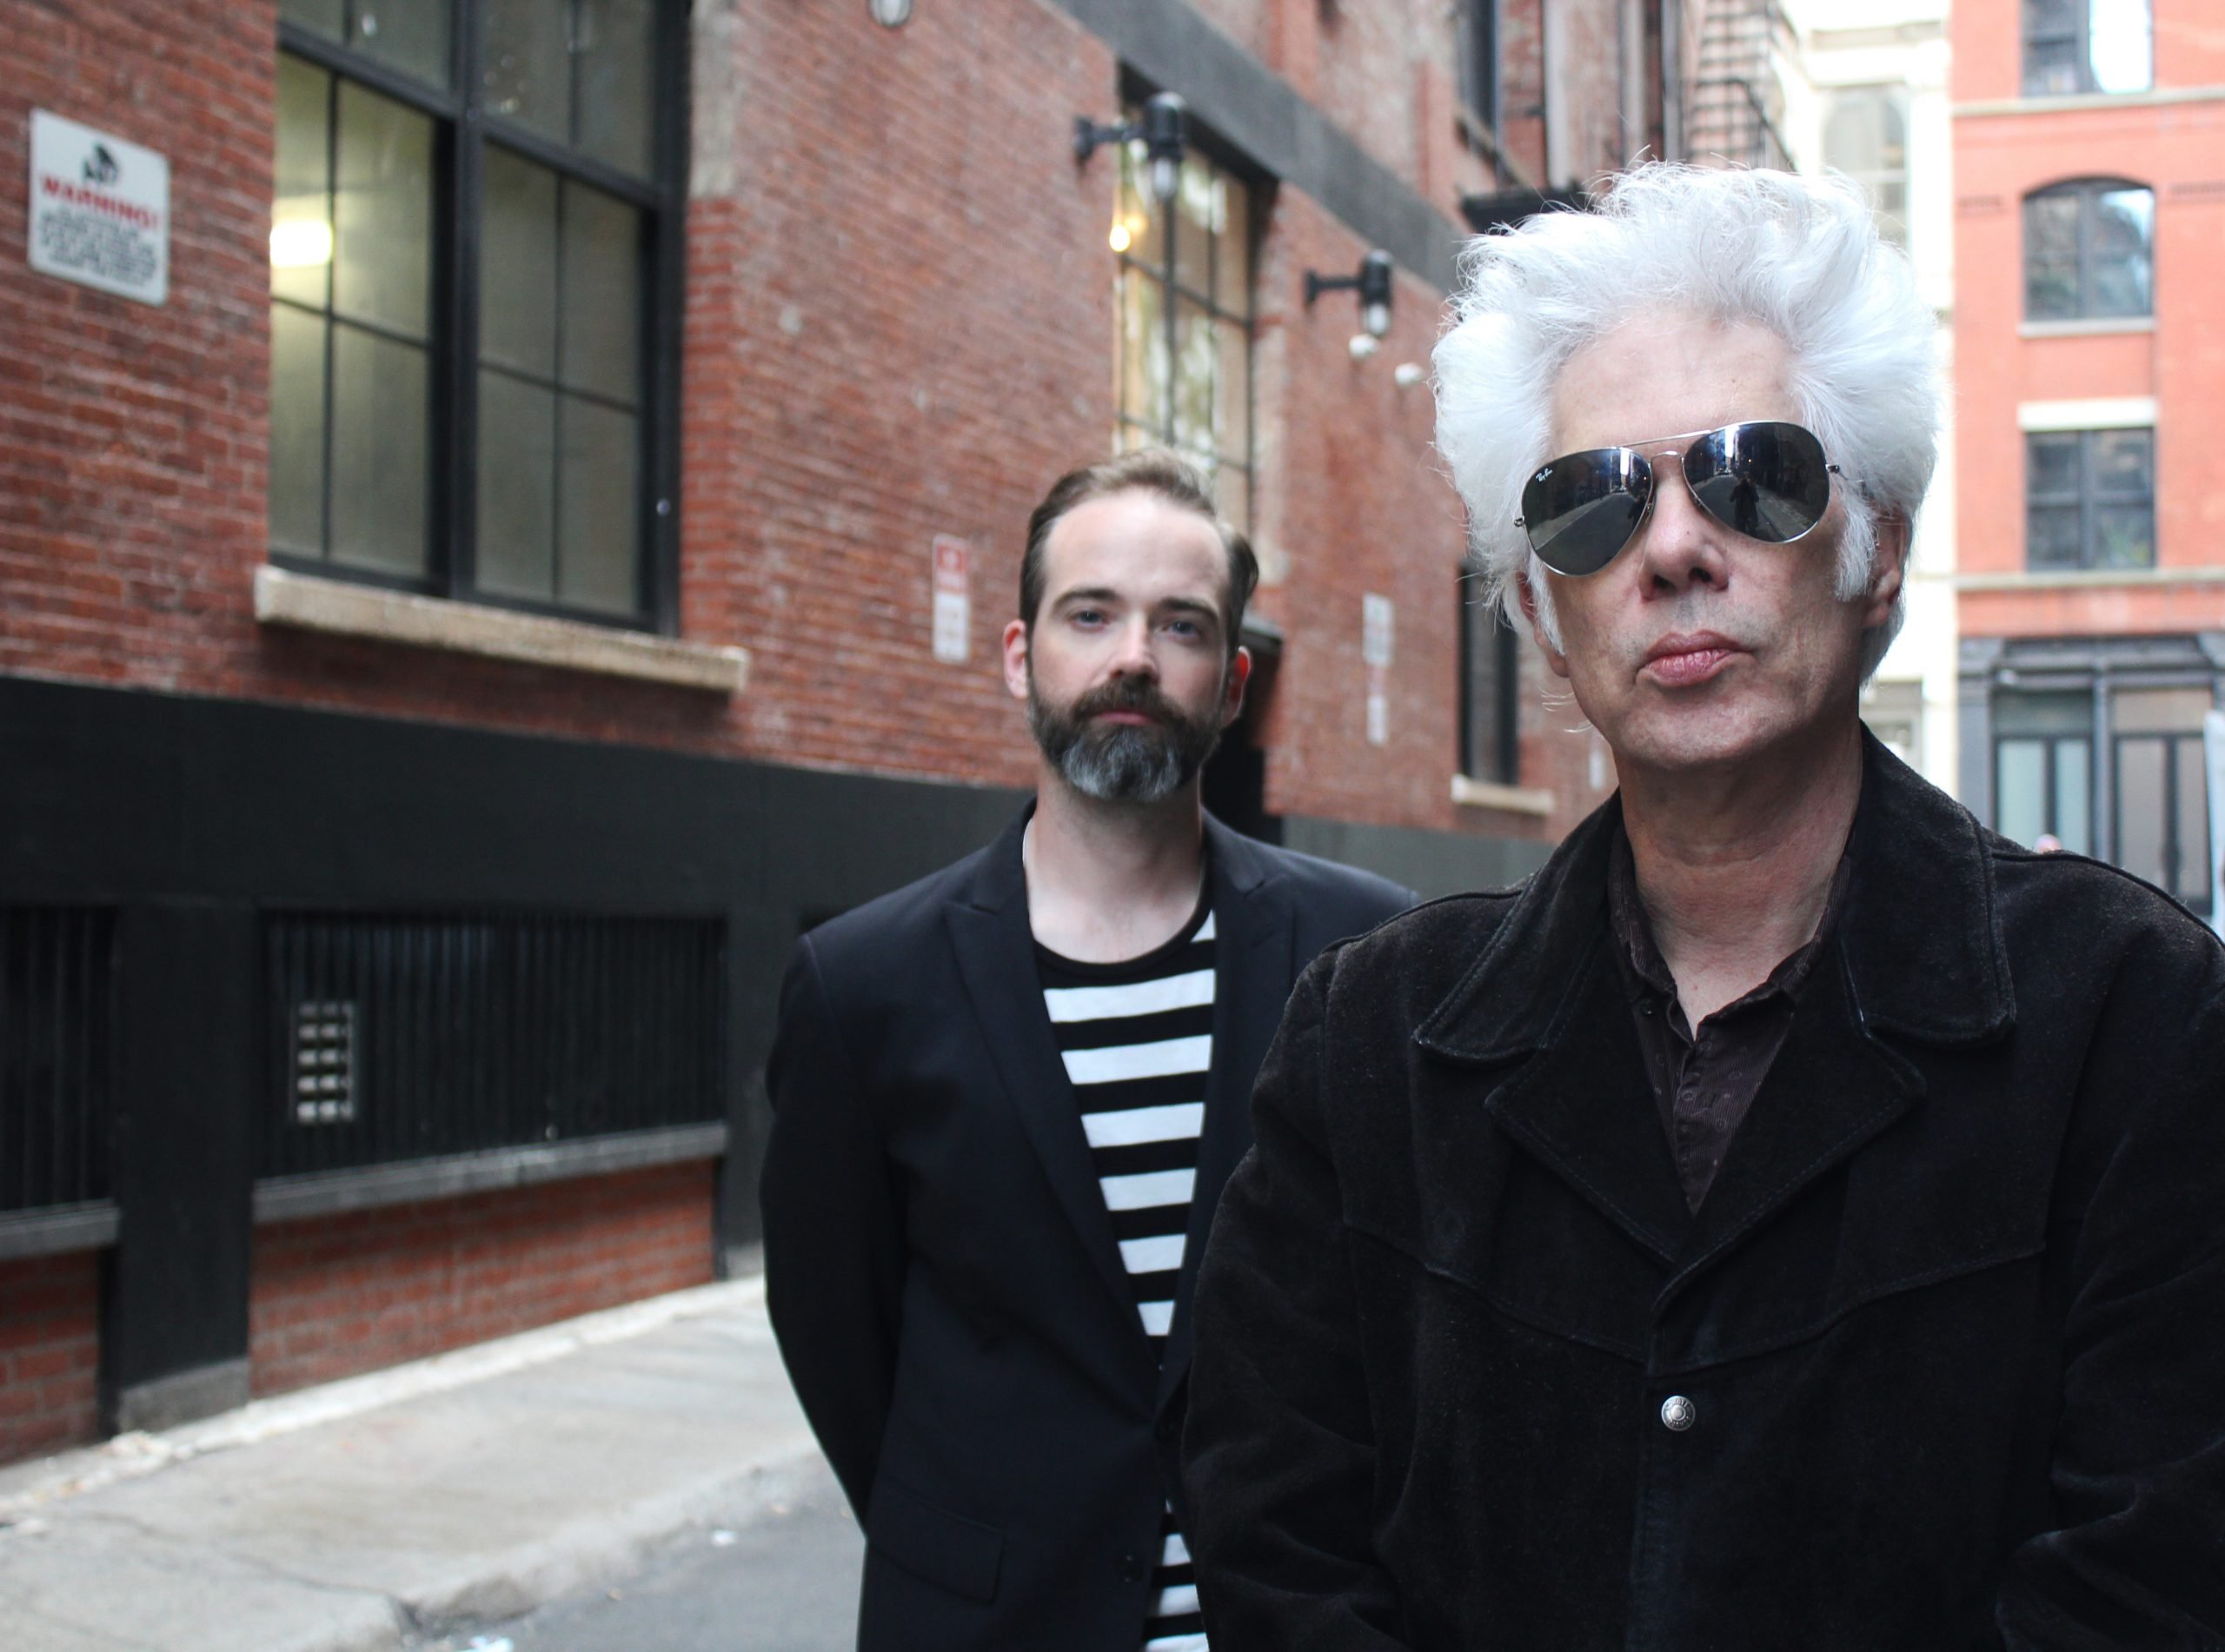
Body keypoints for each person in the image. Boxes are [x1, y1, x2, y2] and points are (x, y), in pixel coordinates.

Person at [1183, 164, 2225, 1649]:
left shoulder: (2136, 1021)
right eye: (1591, 503)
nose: (1672, 546)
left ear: (1879, 552)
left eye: (1754, 474)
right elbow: (1271, 1536)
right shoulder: (1370, 1046)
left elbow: (2156, 1571)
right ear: (1542, 613)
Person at [761, 449, 1414, 1652]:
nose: (1133, 657)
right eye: (1090, 614)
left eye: (1181, 624)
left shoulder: (1363, 954)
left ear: (1231, 683)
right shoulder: (864, 988)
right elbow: (840, 1340)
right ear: (1021, 655)